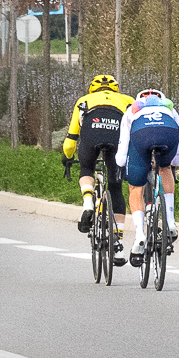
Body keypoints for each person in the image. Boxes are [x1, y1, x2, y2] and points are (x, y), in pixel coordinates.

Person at [115, 88, 179, 267]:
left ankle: (139, 236)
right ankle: (170, 222)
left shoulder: (131, 111)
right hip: (168, 131)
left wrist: (125, 163)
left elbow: (122, 155)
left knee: (135, 188)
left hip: (141, 134)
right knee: (166, 168)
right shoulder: (171, 110)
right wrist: (172, 161)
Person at [63, 74, 132, 242]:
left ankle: (88, 204)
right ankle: (118, 243)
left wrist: (67, 157)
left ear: (92, 88)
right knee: (115, 188)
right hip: (117, 136)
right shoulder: (127, 101)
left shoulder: (83, 100)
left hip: (91, 134)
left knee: (86, 168)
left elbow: (71, 138)